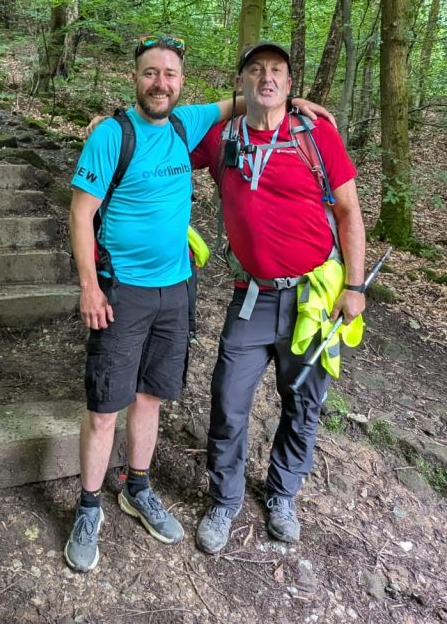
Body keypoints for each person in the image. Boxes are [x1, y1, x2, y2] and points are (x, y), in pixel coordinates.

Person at [63, 36, 332, 573]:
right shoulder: (112, 136)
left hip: (177, 291)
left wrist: (293, 103)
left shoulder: (189, 123)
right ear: (134, 78)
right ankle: (88, 506)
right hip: (121, 292)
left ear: (182, 82)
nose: (160, 82)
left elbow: (250, 100)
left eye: (169, 74)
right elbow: (78, 214)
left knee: (150, 398)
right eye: (149, 73)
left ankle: (136, 488)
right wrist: (89, 287)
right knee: (103, 409)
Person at [190, 42, 367, 555]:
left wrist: (354, 287)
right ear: (242, 82)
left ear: (290, 85)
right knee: (227, 402)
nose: (266, 77)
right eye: (255, 70)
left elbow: (349, 214)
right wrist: (111, 130)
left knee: (303, 403)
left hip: (312, 298)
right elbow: (162, 142)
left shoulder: (317, 136)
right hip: (251, 296)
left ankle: (283, 494)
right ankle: (224, 500)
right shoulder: (223, 138)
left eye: (277, 72)